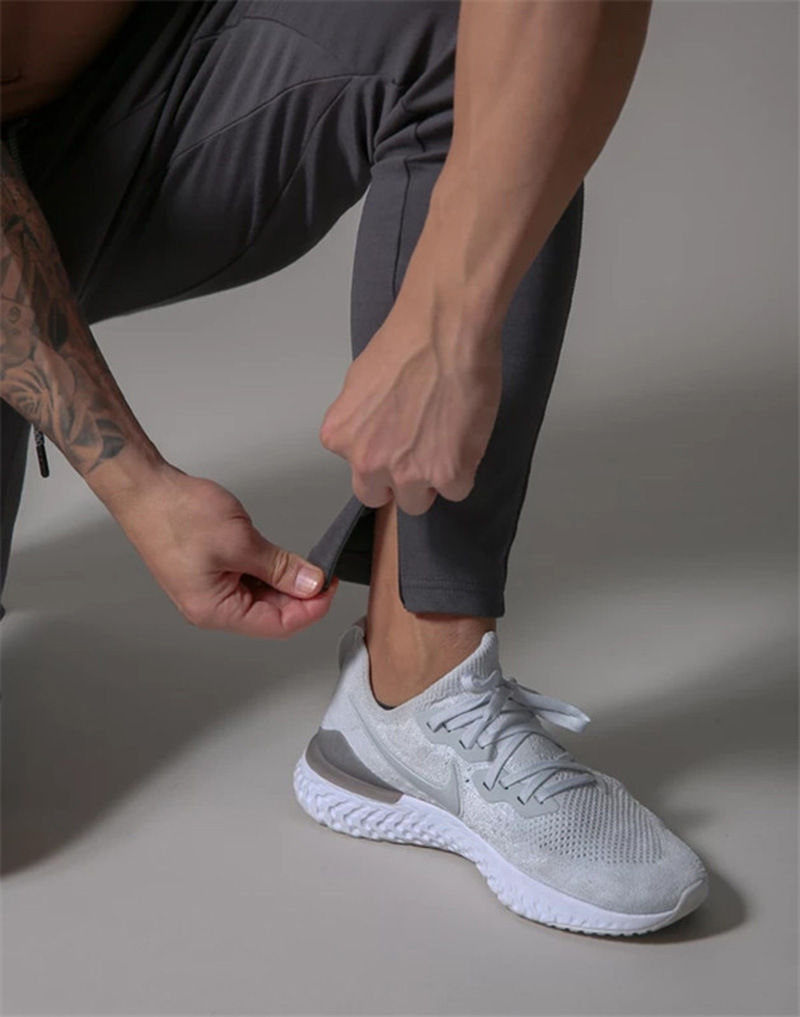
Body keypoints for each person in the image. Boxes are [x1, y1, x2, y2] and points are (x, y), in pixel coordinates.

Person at [0, 0, 708, 935]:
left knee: (496, 62)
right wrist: (137, 484)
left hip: (115, 112)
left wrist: (451, 324)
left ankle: (418, 691)